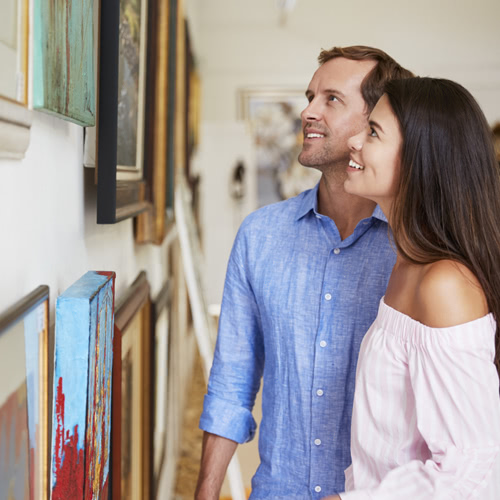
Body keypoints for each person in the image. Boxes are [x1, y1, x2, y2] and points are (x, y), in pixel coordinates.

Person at [195, 46, 413, 500]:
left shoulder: (416, 250)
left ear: (377, 123)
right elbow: (231, 384)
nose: (307, 111)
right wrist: (205, 492)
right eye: (310, 95)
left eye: (332, 99)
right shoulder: (260, 235)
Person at [326, 77, 500, 499]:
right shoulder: (406, 264)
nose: (354, 141)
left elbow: (473, 469)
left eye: (373, 132)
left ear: (421, 158)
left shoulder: (444, 285)